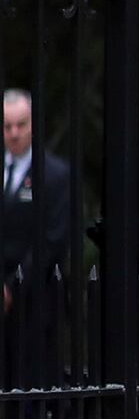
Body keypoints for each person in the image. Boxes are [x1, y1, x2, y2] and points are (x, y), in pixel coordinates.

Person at [0, 89, 72, 395]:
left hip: (34, 300)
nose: (14, 134)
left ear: (33, 125)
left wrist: (11, 286)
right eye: (7, 127)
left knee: (31, 392)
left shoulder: (55, 174)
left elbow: (53, 240)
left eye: (21, 124)